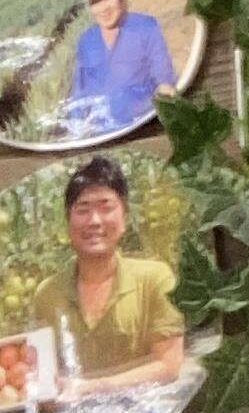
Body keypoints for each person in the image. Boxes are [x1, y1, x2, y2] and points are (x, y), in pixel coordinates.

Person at [28, 155, 187, 392]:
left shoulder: (155, 279)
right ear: (67, 222)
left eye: (106, 208)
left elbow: (168, 366)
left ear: (125, 217)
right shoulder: (47, 293)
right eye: (83, 209)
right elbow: (41, 377)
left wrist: (89, 388)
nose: (94, 221)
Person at [67, 0, 178, 137]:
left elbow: (162, 74)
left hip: (141, 122)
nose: (104, 8)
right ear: (90, 7)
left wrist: (164, 91)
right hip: (100, 129)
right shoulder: (86, 41)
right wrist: (77, 127)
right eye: (96, 1)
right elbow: (80, 91)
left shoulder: (145, 27)